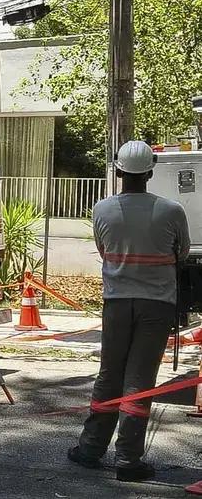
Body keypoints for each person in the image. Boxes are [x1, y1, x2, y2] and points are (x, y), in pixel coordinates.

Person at [67, 140, 190, 481]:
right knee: (140, 381)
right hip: (157, 306)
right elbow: (181, 254)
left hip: (117, 304)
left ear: (119, 171)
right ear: (150, 172)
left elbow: (102, 249)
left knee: (110, 376)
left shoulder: (102, 210)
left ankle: (91, 449)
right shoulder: (171, 211)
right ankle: (127, 459)